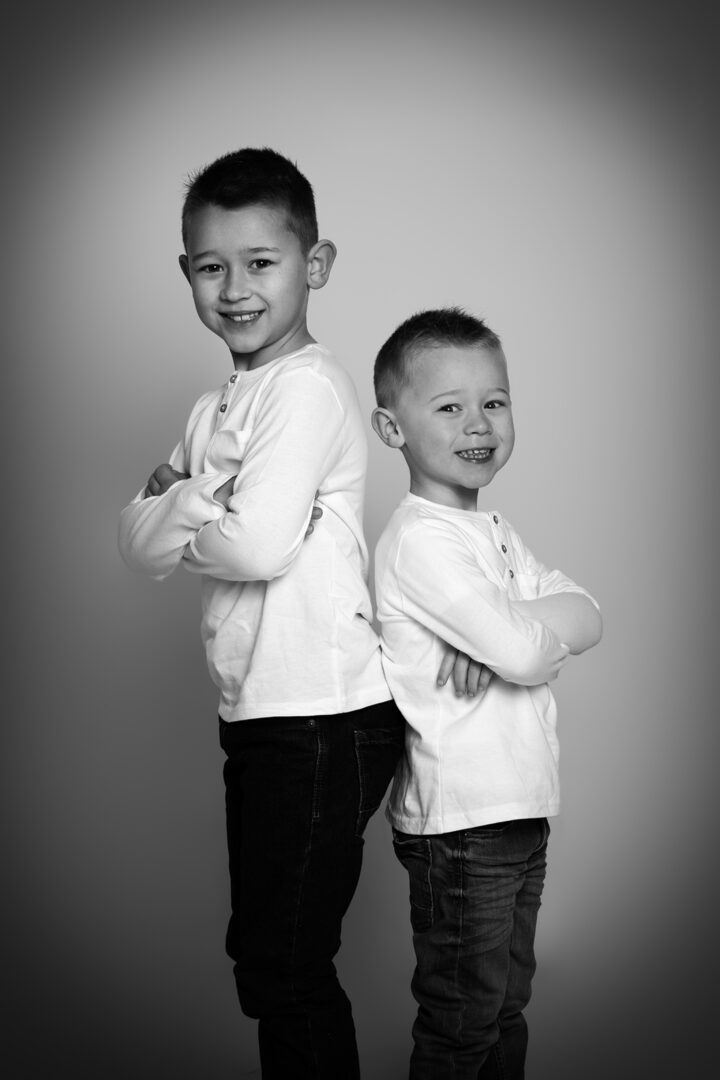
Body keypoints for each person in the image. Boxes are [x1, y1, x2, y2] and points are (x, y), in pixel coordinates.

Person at [118, 147, 406, 1079]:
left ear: (313, 267)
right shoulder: (216, 409)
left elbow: (254, 548)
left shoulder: (309, 388)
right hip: (261, 713)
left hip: (322, 715)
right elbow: (132, 545)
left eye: (262, 262)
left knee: (282, 963)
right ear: (187, 274)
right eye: (212, 266)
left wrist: (181, 501)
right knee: (270, 960)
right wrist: (211, 495)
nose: (235, 288)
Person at [371, 308, 602, 1079]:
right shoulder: (420, 539)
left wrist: (521, 631)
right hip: (464, 823)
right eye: (448, 406)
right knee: (463, 1022)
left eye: (494, 402)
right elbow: (522, 653)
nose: (479, 423)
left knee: (504, 1007)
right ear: (391, 427)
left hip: (520, 811)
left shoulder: (495, 532)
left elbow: (589, 615)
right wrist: (518, 643)